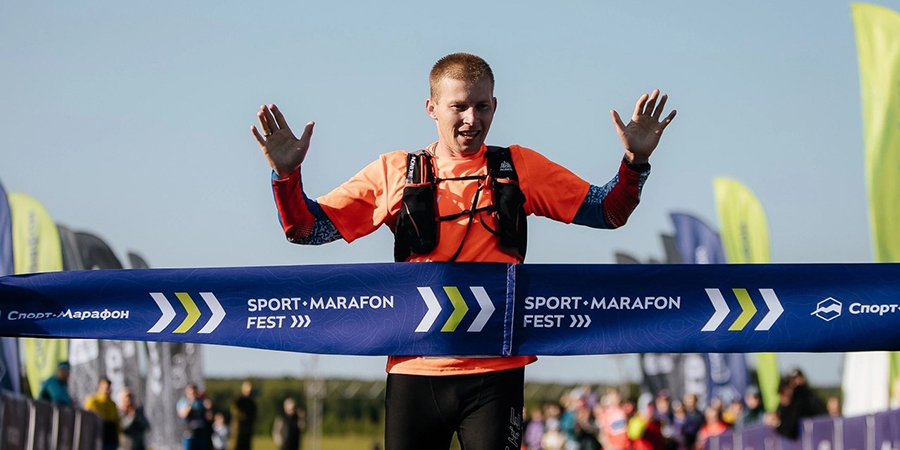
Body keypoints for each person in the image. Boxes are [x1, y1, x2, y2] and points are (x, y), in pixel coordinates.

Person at [252, 52, 676, 450]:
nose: (472, 119)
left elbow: (607, 211)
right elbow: (306, 230)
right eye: (459, 107)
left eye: (482, 106)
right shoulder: (396, 171)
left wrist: (634, 163)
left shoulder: (519, 167)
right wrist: (286, 177)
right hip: (416, 371)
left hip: (496, 374)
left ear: (495, 105)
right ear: (431, 108)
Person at [83, 377, 120, 450]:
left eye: (109, 388)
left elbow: (117, 422)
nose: (108, 391)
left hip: (111, 440)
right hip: (97, 439)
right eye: (106, 388)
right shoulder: (92, 402)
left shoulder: (112, 404)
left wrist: (118, 438)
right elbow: (87, 422)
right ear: (99, 388)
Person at [178, 383, 209, 450]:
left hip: (201, 433)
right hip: (189, 434)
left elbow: (208, 413)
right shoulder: (183, 402)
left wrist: (205, 398)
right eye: (190, 392)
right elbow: (183, 414)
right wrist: (190, 402)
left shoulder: (200, 402)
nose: (192, 394)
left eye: (193, 392)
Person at [229, 380, 257, 450]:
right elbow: (236, 402)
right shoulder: (240, 401)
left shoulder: (252, 402)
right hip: (238, 432)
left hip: (247, 432)